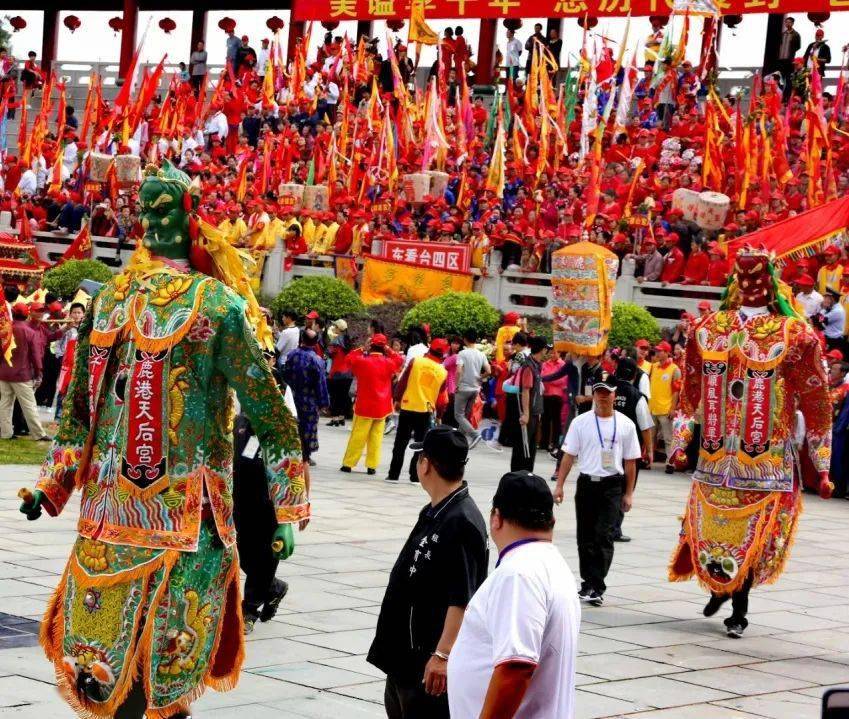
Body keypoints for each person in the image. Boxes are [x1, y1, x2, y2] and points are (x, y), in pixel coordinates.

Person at [19, 161, 308, 719]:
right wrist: (49, 485)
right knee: (104, 674)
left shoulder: (216, 307)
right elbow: (78, 412)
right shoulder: (107, 303)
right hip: (109, 517)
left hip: (186, 520)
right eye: (143, 206)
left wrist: (285, 508)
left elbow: (270, 413)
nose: (150, 217)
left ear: (190, 215)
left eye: (163, 206)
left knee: (160, 679)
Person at [669, 248, 833, 638]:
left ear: (771, 279)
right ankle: (720, 589)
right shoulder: (708, 329)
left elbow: (816, 400)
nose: (749, 282)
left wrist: (822, 464)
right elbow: (689, 391)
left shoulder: (795, 335)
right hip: (714, 457)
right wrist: (680, 441)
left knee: (751, 538)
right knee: (712, 533)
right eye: (742, 275)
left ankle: (738, 607)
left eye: (756, 275)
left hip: (766, 462)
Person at [368, 426, 488, 719]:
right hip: (405, 658)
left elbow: (462, 598)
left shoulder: (461, 521)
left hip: (426, 663)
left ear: (426, 464)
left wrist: (442, 655)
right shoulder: (438, 509)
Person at [448, 471, 579, 719]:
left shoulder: (519, 574)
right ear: (551, 520)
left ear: (496, 518)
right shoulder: (549, 562)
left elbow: (516, 666)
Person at [554, 374, 640, 606]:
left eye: (607, 393)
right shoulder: (580, 422)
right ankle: (587, 583)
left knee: (604, 535)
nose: (602, 397)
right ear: (593, 395)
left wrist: (629, 493)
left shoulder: (625, 424)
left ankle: (597, 585)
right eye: (598, 392)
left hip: (612, 485)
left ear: (614, 395)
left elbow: (631, 461)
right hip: (586, 484)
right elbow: (569, 455)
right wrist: (559, 485)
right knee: (585, 536)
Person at [387, 339, 450, 482]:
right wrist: (439, 414)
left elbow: (403, 382)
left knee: (400, 442)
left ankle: (393, 474)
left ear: (430, 348)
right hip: (426, 410)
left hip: (408, 406)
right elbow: (442, 399)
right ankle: (415, 477)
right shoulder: (442, 372)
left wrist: (396, 399)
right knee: (420, 444)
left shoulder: (416, 362)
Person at [341, 333, 404, 475]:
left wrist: (362, 348)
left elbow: (348, 359)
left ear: (371, 345)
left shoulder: (362, 361)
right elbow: (399, 360)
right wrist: (388, 349)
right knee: (376, 437)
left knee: (358, 435)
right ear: (383, 347)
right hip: (382, 406)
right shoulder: (388, 362)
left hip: (364, 405)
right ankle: (372, 466)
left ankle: (348, 464)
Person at [612, 359, 654, 543]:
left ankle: (602, 525)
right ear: (634, 376)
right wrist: (650, 450)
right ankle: (614, 529)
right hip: (628, 453)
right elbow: (645, 427)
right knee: (625, 488)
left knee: (607, 484)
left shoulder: (605, 391)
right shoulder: (637, 397)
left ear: (616, 371)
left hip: (606, 449)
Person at [0, 303, 48, 441]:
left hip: (3, 373)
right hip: (22, 374)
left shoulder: (4, 330)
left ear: (13, 314)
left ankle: (6, 433)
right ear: (27, 314)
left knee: (5, 404)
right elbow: (35, 355)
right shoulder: (29, 332)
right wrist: (39, 372)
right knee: (29, 405)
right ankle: (38, 434)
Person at [282, 329, 330, 466]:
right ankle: (306, 455)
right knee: (307, 426)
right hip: (309, 399)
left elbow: (285, 374)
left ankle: (290, 452)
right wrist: (323, 403)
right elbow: (321, 383)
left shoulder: (291, 355)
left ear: (301, 339)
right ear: (315, 343)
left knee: (292, 425)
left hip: (292, 396)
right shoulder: (317, 360)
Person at [511, 335, 547, 472]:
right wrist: (526, 414)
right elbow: (525, 391)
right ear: (542, 350)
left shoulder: (537, 365)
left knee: (531, 449)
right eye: (545, 349)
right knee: (523, 449)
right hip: (529, 414)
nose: (547, 352)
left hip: (535, 412)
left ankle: (527, 475)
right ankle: (517, 476)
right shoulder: (528, 366)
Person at [453, 329, 490, 449]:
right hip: (475, 388)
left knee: (458, 415)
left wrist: (456, 385)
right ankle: (458, 441)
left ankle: (474, 435)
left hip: (463, 387)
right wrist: (480, 377)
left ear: (465, 339)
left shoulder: (462, 353)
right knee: (465, 416)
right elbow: (489, 371)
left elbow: (458, 371)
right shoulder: (481, 354)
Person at [649, 341, 681, 474]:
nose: (656, 353)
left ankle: (670, 462)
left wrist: (673, 408)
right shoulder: (654, 367)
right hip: (652, 408)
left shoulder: (675, 369)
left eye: (660, 351)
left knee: (668, 438)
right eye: (656, 350)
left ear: (667, 352)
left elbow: (676, 391)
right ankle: (647, 460)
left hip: (666, 409)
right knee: (650, 437)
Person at [778, 17, 801, 101]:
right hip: (781, 60)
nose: (787, 24)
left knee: (788, 80)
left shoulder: (796, 35)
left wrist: (790, 52)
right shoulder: (782, 34)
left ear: (792, 23)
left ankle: (786, 98)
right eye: (786, 22)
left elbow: (798, 46)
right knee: (780, 79)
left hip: (789, 60)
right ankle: (780, 97)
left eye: (789, 22)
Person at [818, 289, 846, 354]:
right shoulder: (831, 308)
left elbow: (820, 320)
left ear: (832, 299)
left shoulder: (837, 311)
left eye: (826, 298)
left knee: (830, 361)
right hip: (828, 339)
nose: (824, 300)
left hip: (834, 341)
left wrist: (823, 307)